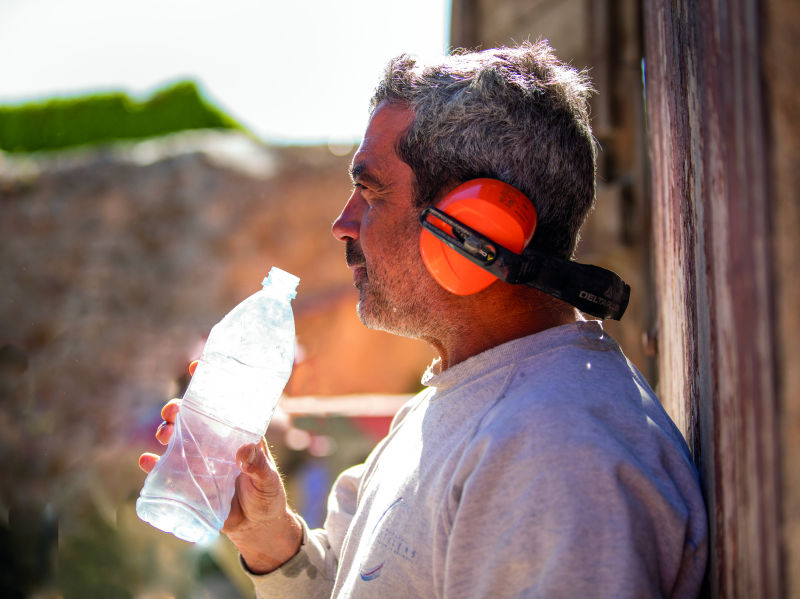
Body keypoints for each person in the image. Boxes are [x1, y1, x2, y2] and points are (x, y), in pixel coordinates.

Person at [140, 41, 708, 597]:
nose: (343, 223)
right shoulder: (468, 399)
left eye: (370, 190)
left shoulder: (555, 456)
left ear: (477, 229)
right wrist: (270, 538)